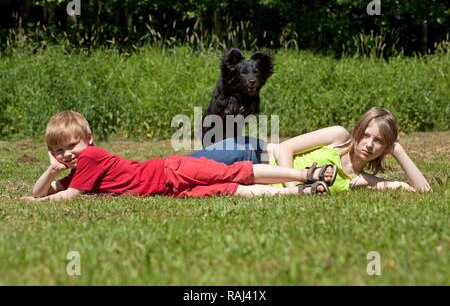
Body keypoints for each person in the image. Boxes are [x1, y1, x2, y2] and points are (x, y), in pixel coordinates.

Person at [24, 111, 339, 202]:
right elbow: (44, 192)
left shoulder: (90, 157)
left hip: (170, 172)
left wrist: (37, 201)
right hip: (170, 190)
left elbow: (67, 196)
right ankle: (302, 191)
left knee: (239, 173)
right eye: (58, 151)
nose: (67, 155)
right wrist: (50, 173)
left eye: (71, 146)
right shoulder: (75, 169)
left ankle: (304, 174)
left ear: (88, 140)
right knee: (232, 190)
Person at [191, 107, 431, 193]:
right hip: (252, 154)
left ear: (385, 148)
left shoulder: (359, 181)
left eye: (379, 141)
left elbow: (422, 191)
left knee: (189, 186)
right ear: (357, 131)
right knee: (181, 168)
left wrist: (398, 149)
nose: (369, 144)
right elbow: (286, 148)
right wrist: (294, 189)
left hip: (252, 180)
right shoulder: (338, 136)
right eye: (366, 135)